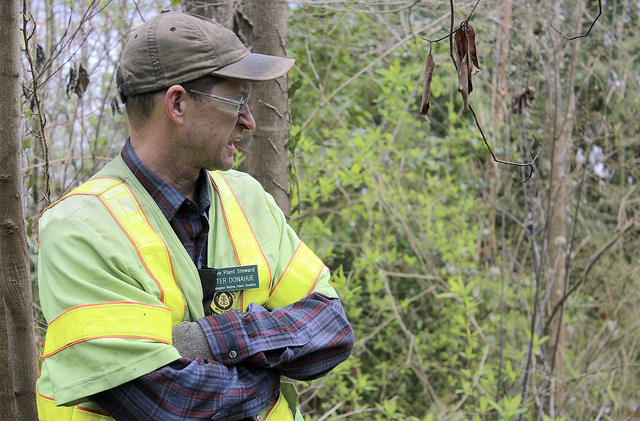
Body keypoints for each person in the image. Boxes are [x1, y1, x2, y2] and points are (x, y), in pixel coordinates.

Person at [36, 11, 355, 421]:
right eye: (237, 101)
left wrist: (205, 339)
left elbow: (331, 327)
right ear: (178, 104)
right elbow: (170, 403)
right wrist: (268, 375)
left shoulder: (247, 197)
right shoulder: (80, 228)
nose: (249, 121)